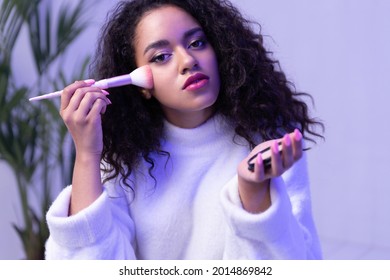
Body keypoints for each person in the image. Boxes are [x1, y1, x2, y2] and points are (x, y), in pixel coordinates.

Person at [45, 0, 324, 259]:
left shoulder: (268, 142)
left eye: (197, 42)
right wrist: (87, 154)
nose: (188, 60)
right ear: (142, 86)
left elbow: (300, 262)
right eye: (162, 56)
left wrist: (254, 193)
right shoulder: (123, 157)